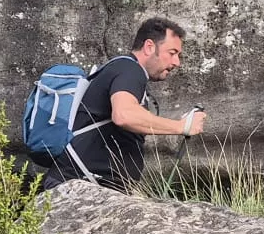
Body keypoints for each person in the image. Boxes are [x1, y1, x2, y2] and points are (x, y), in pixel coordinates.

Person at [37, 17, 206, 191]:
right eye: (172, 53)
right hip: (79, 188)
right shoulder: (129, 69)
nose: (176, 62)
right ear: (149, 47)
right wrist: (181, 127)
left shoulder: (125, 71)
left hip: (87, 186)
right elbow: (125, 115)